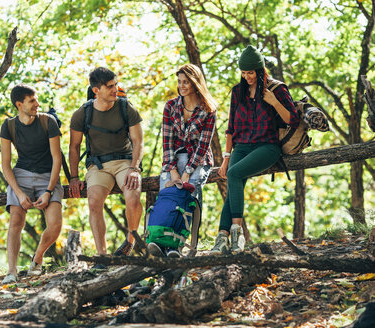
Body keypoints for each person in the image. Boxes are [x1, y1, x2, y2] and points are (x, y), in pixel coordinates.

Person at [210, 45, 300, 254]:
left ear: (260, 71)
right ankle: (222, 238)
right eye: (243, 72)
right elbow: (231, 127)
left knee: (234, 174)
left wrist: (274, 102)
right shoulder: (237, 91)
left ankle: (236, 234)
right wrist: (225, 158)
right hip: (241, 147)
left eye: (250, 72)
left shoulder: (276, 89)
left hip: (267, 147)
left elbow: (292, 120)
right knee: (234, 180)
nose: (247, 76)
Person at [69, 67, 144, 258]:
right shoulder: (82, 114)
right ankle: (102, 256)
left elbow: (138, 141)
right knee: (94, 202)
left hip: (125, 161)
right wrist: (74, 177)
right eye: (110, 86)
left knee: (133, 199)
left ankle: (130, 241)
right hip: (98, 165)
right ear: (96, 90)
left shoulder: (126, 108)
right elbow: (74, 147)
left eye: (116, 84)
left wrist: (135, 168)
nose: (115, 89)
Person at [148, 63, 218, 258]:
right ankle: (159, 244)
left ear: (195, 83)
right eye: (179, 82)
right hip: (173, 159)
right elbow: (167, 141)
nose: (182, 86)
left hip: (198, 159)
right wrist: (173, 172)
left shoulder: (208, 109)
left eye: (186, 82)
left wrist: (186, 173)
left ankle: (179, 247)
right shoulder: (171, 106)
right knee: (168, 195)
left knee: (189, 193)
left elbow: (203, 146)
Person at [0, 84, 63, 284]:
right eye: (32, 101)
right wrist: (18, 193)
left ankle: (37, 259)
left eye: (36, 100)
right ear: (19, 104)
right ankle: (12, 271)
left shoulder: (48, 122)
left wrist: (49, 190)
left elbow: (57, 159)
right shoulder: (8, 126)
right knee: (16, 220)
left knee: (55, 225)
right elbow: (6, 165)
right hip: (21, 175)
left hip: (48, 176)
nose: (37, 104)